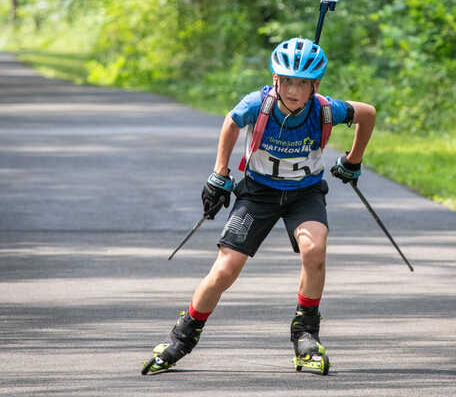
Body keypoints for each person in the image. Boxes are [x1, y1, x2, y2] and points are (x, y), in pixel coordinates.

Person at [141, 36, 376, 376]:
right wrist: (219, 175)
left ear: (316, 84)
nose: (293, 90)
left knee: (314, 249)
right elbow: (231, 122)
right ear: (275, 78)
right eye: (286, 81)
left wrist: (353, 161)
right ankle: (182, 336)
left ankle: (306, 333)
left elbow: (367, 114)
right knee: (226, 268)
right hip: (258, 192)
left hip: (304, 193)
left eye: (302, 83)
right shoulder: (259, 104)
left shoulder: (326, 109)